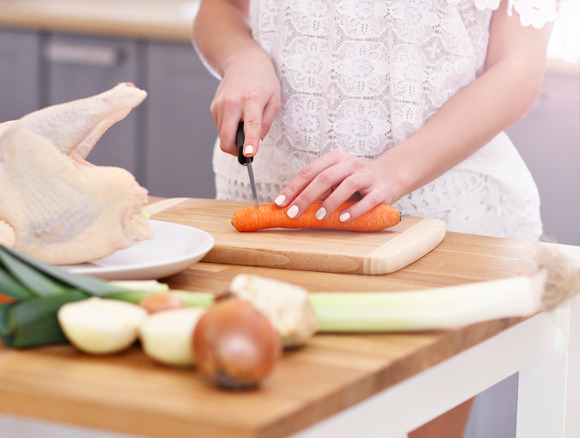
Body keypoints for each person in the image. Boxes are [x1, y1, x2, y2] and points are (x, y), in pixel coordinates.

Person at [193, 1, 559, 437]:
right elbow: (221, 9)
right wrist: (242, 56)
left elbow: (517, 70)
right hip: (272, 214)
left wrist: (392, 171)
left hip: (436, 227)